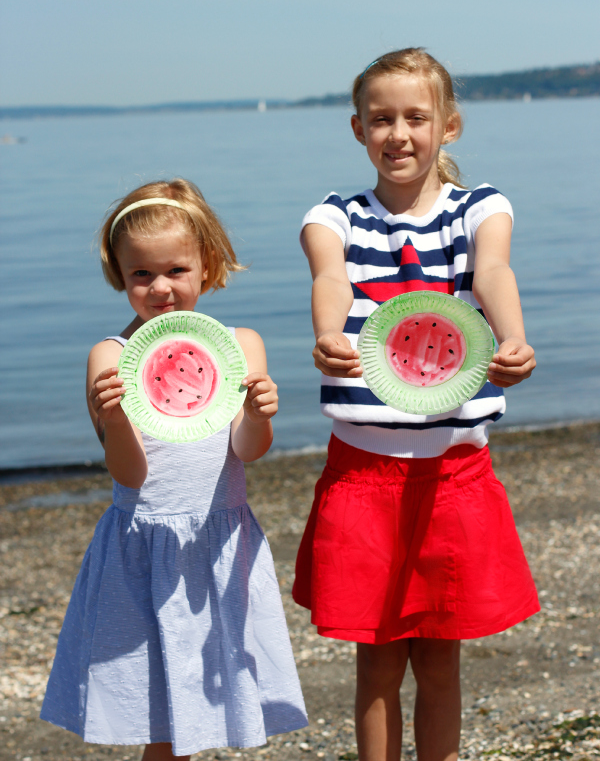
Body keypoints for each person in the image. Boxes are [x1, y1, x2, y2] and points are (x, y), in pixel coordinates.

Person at [292, 48, 538, 761]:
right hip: (362, 476)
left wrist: (514, 336)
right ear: (357, 129)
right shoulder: (333, 214)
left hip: (455, 478)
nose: (398, 133)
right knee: (375, 664)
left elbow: (492, 267)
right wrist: (325, 332)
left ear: (449, 126)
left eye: (415, 118)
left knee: (439, 663)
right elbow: (330, 277)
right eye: (380, 119)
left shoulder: (479, 208)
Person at [41, 178, 307, 760]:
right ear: (120, 274)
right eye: (141, 274)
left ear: (207, 267)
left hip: (219, 545)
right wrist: (112, 422)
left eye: (176, 270)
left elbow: (248, 449)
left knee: (211, 702)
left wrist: (260, 415)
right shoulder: (110, 357)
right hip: (143, 551)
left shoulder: (241, 344)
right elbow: (129, 475)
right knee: (161, 719)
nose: (160, 288)